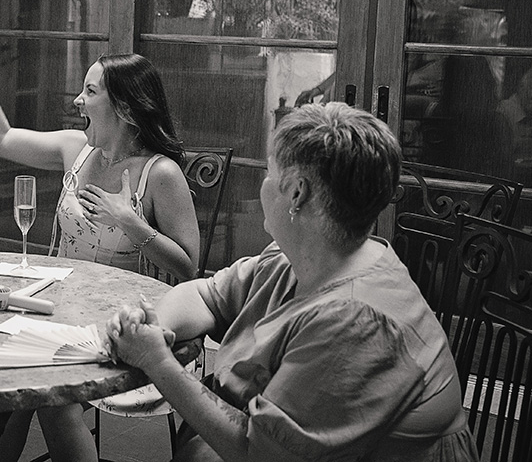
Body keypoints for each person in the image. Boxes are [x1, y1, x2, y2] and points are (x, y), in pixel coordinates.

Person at [106, 102, 479, 462]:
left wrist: (157, 360)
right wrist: (152, 324)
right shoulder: (301, 256)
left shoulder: (355, 319)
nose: (263, 185)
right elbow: (207, 296)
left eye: (269, 173)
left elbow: (258, 452)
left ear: (297, 193)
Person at [0, 30, 200, 462]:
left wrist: (130, 221)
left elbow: (188, 268)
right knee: (8, 378)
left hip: (118, 326)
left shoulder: (161, 173)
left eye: (90, 91)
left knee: (49, 397)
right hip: (58, 311)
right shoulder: (75, 148)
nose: (78, 100)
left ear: (125, 108)